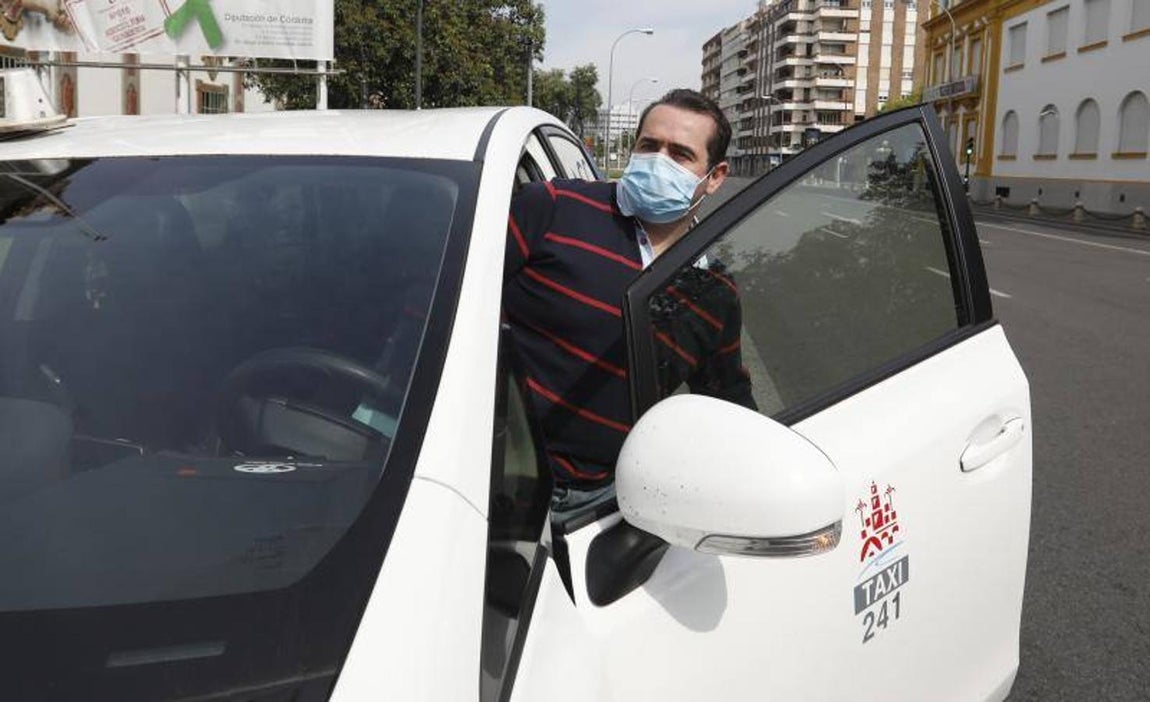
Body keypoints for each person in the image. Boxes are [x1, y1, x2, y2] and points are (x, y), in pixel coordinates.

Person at [503, 88, 754, 515]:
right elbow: (447, 305)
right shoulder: (552, 207)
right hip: (494, 473)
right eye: (649, 145)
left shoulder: (712, 291)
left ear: (714, 176)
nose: (659, 161)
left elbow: (728, 410)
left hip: (602, 509)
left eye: (680, 154)